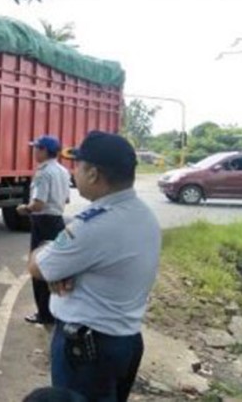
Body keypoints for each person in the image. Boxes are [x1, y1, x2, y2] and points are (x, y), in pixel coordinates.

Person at [27, 131, 161, 402]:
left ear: (93, 174)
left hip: (88, 350)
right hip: (126, 340)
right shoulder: (143, 215)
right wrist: (65, 268)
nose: (73, 172)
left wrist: (46, 253)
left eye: (78, 166)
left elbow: (38, 268)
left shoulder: (94, 225)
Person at [17, 134, 72, 325]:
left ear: (43, 151)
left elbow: (38, 204)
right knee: (56, 267)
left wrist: (24, 208)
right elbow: (66, 199)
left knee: (39, 267)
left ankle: (44, 314)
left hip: (43, 223)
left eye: (36, 148)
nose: (33, 151)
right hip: (57, 221)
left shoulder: (43, 173)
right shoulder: (63, 172)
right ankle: (57, 310)